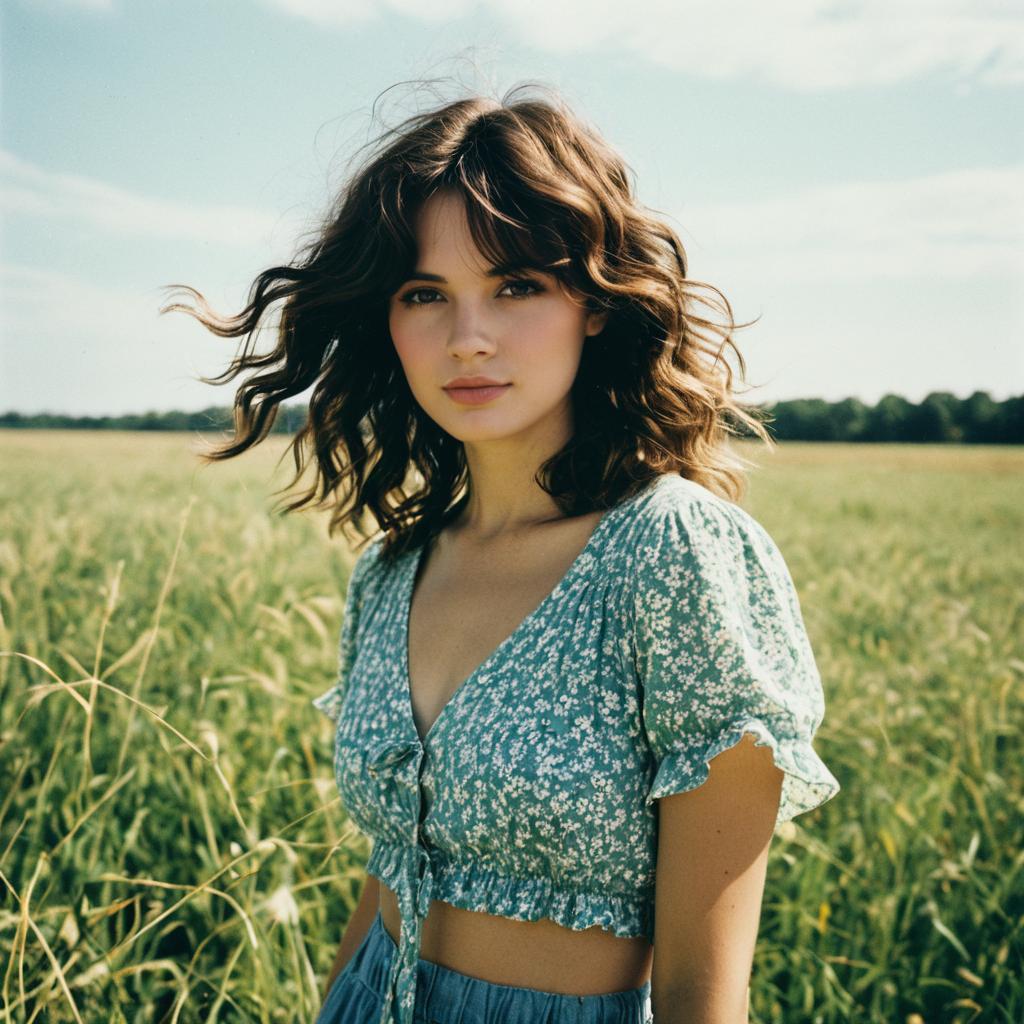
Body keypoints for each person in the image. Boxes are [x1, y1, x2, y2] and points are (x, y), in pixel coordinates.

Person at [160, 81, 841, 1024]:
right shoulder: (391, 571)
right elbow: (391, 874)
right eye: (425, 294)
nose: (468, 339)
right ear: (387, 321)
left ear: (596, 304)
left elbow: (702, 990)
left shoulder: (671, 552)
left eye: (516, 285)